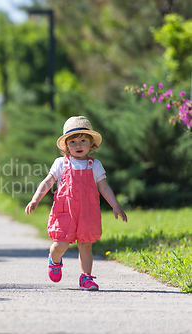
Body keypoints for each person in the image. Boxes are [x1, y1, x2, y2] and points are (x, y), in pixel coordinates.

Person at [24, 116, 127, 291]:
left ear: (91, 143)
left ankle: (85, 277)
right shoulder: (61, 163)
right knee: (60, 245)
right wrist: (35, 199)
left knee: (86, 244)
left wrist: (115, 205)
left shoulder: (95, 165)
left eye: (83, 141)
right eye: (73, 142)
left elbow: (104, 188)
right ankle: (54, 260)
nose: (78, 145)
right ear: (66, 146)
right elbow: (47, 182)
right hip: (65, 212)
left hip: (87, 213)